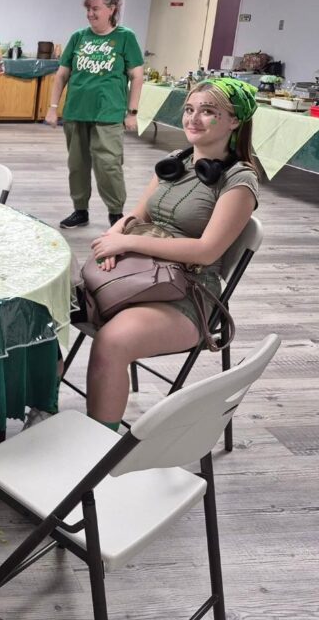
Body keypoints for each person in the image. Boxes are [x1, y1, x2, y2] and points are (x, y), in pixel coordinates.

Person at [81, 78, 259, 430]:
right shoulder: (175, 162)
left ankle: (96, 450)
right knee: (50, 309)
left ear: (234, 120)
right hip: (144, 273)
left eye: (208, 112)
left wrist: (129, 243)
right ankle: (41, 407)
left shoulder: (239, 181)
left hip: (190, 293)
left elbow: (206, 251)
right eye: (190, 110)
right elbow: (137, 216)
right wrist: (114, 236)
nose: (193, 119)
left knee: (111, 342)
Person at [45, 0, 145, 229]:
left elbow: (137, 75)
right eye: (88, 9)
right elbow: (62, 75)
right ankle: (80, 210)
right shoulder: (78, 37)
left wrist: (132, 113)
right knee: (77, 165)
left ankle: (115, 214)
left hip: (108, 114)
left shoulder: (125, 37)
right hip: (76, 112)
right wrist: (53, 107)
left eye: (95, 8)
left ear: (111, 9)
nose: (90, 14)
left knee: (108, 165)